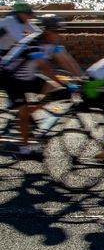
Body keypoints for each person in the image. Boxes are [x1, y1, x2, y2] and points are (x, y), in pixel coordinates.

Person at [0, 15, 83, 158]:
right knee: (24, 112)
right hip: (11, 78)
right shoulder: (34, 43)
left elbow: (66, 60)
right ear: (46, 31)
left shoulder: (53, 43)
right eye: (55, 31)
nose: (58, 34)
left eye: (59, 31)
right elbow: (45, 68)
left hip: (28, 77)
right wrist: (64, 82)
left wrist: (81, 78)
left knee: (51, 88)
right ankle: (25, 148)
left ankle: (32, 110)